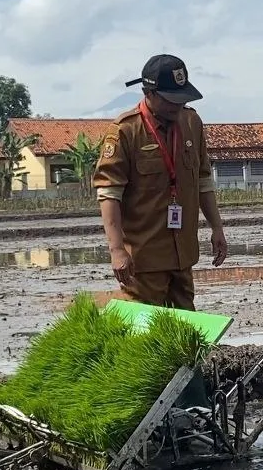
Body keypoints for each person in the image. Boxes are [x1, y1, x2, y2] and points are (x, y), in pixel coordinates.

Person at [91, 54, 229, 311]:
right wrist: (117, 250)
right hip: (143, 259)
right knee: (142, 331)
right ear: (149, 93)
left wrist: (217, 229)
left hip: (183, 254)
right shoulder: (125, 131)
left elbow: (203, 181)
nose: (177, 106)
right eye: (170, 100)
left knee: (186, 327)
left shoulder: (192, 123)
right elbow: (109, 193)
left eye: (182, 99)